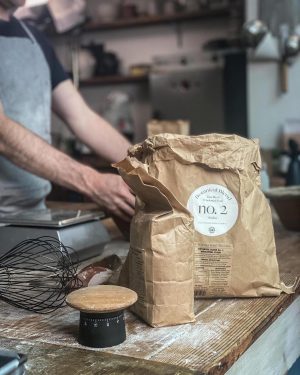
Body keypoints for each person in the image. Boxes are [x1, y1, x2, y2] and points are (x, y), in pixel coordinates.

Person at [0, 0, 135, 221]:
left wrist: (147, 167)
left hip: (33, 215)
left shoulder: (35, 39)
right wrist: (94, 182)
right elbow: (2, 133)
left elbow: (82, 117)